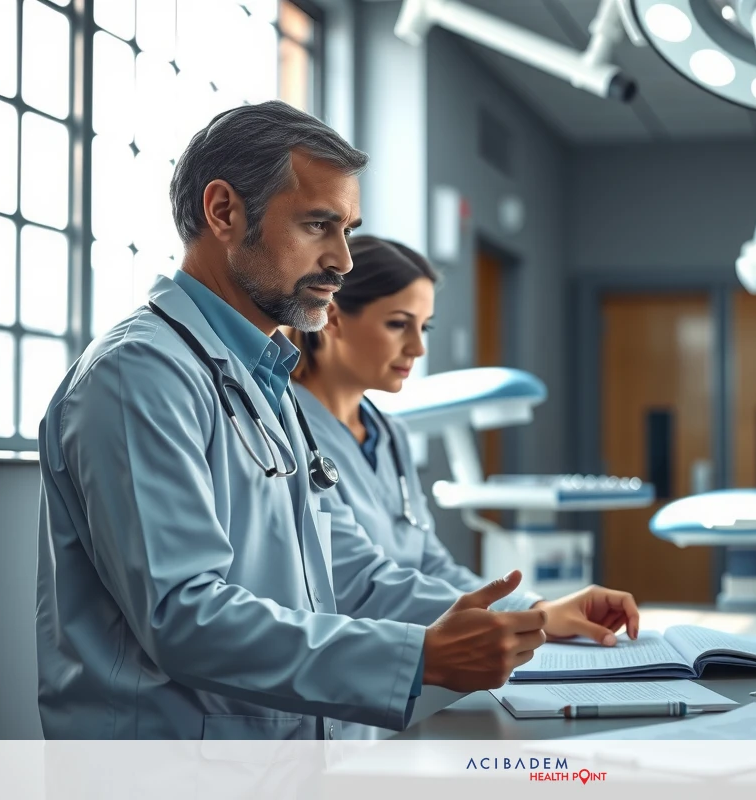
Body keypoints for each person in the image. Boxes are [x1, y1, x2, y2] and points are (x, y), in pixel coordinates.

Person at [35, 101, 553, 740]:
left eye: (347, 229)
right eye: (317, 225)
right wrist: (417, 658)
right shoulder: (139, 373)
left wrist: (530, 616)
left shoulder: (264, 374)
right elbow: (183, 614)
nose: (344, 260)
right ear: (223, 211)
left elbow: (350, 570)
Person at [284, 235, 641, 646]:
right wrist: (533, 615)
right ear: (332, 317)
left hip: (417, 654)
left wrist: (535, 605)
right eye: (398, 324)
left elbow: (431, 564)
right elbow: (360, 584)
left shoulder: (390, 434)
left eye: (424, 327)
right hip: (354, 660)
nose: (417, 347)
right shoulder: (289, 430)